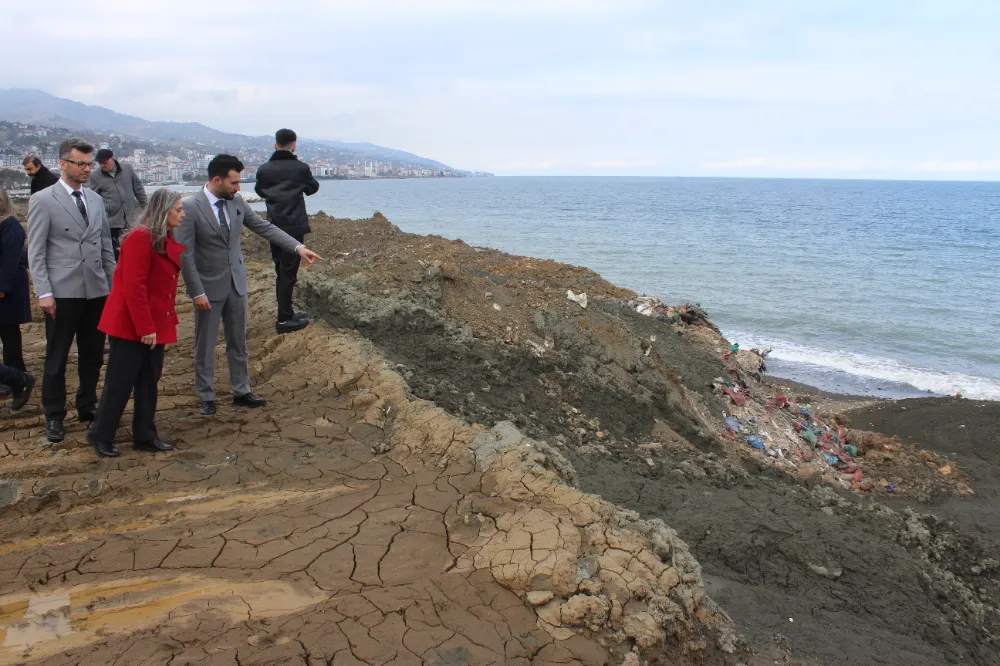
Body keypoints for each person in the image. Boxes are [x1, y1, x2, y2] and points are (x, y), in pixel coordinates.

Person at [174, 154, 322, 416]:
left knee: (238, 341)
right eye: (233, 182)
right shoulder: (191, 207)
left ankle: (241, 390)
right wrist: (196, 291)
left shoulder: (237, 202)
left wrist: (298, 247)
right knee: (205, 344)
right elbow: (185, 254)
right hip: (208, 288)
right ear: (216, 180)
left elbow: (265, 228)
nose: (238, 187)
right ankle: (206, 396)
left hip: (237, 284)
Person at [26, 138, 116, 443]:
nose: (87, 169)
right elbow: (36, 251)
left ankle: (87, 407)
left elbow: (105, 246)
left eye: (89, 164)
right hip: (62, 292)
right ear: (63, 163)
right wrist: (44, 292)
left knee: (92, 355)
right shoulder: (43, 200)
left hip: (96, 289)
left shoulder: (95, 200)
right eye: (81, 164)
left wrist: (113, 285)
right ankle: (54, 414)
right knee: (57, 357)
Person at [87, 189, 185, 458]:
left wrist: (155, 327)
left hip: (157, 323)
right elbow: (134, 288)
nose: (182, 214)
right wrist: (146, 328)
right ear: (163, 211)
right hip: (132, 325)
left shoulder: (161, 237)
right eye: (178, 209)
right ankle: (100, 434)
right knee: (120, 381)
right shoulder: (140, 239)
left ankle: (144, 434)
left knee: (148, 381)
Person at [254, 129, 320, 334]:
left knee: (280, 270)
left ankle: (287, 312)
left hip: (273, 226)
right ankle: (284, 319)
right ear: (294, 146)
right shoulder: (300, 168)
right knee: (289, 273)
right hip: (293, 226)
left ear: (275, 145)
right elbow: (312, 188)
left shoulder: (264, 170)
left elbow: (259, 191)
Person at [87, 149, 148, 259]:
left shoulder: (127, 168)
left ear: (112, 158)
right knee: (116, 252)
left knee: (134, 248)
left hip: (131, 218)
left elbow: (138, 188)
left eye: (104, 162)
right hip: (112, 221)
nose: (102, 165)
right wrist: (104, 209)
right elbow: (93, 198)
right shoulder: (95, 176)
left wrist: (147, 208)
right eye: (100, 163)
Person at [0, 186, 31, 398]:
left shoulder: (11, 226)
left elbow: (10, 261)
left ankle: (17, 376)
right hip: (6, 287)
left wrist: (2, 287)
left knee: (9, 334)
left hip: (8, 291)